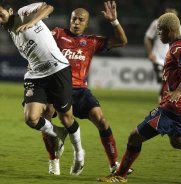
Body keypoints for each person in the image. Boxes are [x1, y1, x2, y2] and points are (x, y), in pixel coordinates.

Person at [98, 12, 181, 182]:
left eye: (160, 31)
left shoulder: (177, 48)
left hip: (170, 108)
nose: (158, 34)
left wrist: (178, 92)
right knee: (179, 143)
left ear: (169, 30)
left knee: (134, 137)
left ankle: (120, 176)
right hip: (180, 107)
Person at [0, 0, 85, 175]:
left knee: (67, 118)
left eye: (1, 15)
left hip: (58, 69)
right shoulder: (11, 32)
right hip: (37, 75)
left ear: (10, 11)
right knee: (31, 118)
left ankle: (79, 153)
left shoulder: (22, 13)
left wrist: (32, 22)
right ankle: (58, 133)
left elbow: (49, 7)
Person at [41, 1, 131, 176]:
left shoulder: (91, 41)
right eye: (74, 19)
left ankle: (114, 165)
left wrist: (114, 22)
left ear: (87, 23)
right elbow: (39, 44)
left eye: (81, 20)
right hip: (57, 87)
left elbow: (122, 41)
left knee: (101, 120)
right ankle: (53, 160)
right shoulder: (57, 34)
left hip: (80, 90)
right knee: (46, 113)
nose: (76, 22)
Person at [144, 8, 181, 99]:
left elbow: (177, 43)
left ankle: (162, 98)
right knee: (163, 78)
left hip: (170, 58)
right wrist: (150, 53)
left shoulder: (178, 27)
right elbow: (147, 38)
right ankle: (163, 97)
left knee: (170, 80)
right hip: (157, 57)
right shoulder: (156, 23)